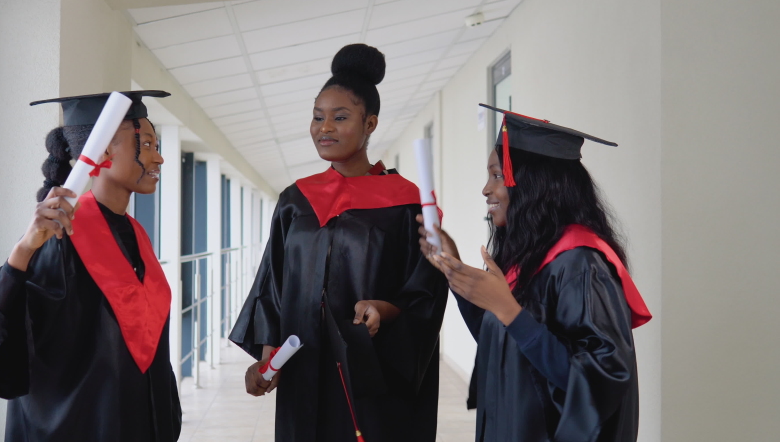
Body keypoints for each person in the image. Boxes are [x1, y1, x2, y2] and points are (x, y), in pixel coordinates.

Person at [229, 44, 448, 442]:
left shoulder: (405, 201)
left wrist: (386, 308)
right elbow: (272, 287)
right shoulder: (296, 200)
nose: (324, 128)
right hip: (302, 372)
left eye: (340, 117)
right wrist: (268, 362)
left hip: (374, 376)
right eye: (317, 117)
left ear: (370, 124)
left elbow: (427, 289)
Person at [420, 105, 652, 442]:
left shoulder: (579, 263)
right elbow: (501, 344)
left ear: (534, 183)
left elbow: (603, 379)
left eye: (497, 175)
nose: (486, 189)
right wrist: (457, 275)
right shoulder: (527, 258)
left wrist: (510, 311)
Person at [0, 90, 182, 442]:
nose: (158, 158)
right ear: (104, 152)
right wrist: (24, 249)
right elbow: (12, 331)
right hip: (84, 424)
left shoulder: (135, 233)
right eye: (146, 144)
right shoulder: (62, 235)